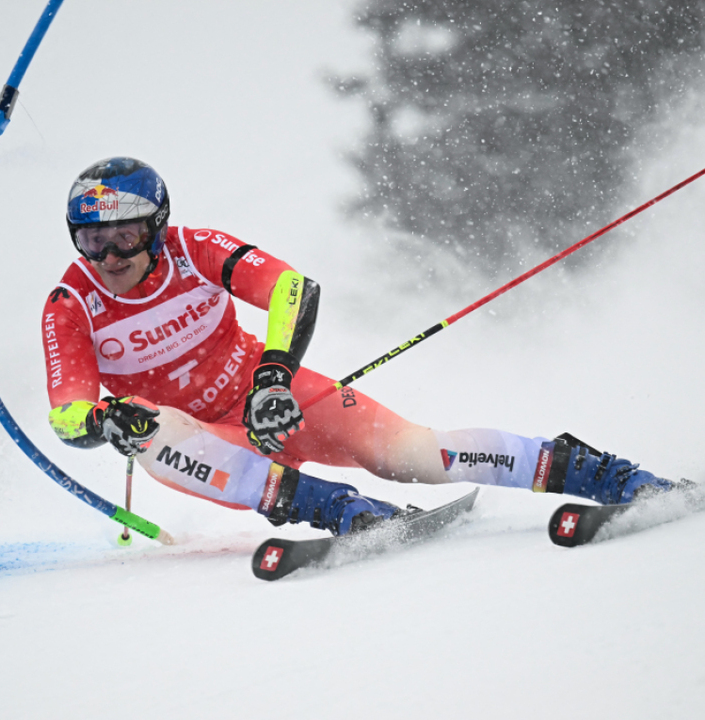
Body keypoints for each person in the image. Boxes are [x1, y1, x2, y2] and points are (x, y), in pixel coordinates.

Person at [42, 157, 680, 536]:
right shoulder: (72, 304)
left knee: (411, 454)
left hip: (277, 402)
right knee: (150, 431)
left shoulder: (194, 248)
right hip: (209, 445)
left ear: (154, 227)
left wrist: (271, 378)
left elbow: (292, 288)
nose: (108, 256)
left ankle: (594, 471)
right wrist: (102, 418)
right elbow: (65, 412)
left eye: (123, 236)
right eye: (90, 240)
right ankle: (340, 512)